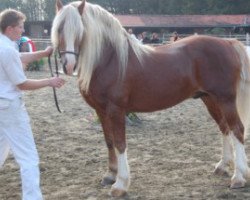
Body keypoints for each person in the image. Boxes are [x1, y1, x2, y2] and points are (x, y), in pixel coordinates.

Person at [0, 9, 65, 200]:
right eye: (20, 27)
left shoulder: (4, 45)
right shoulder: (6, 49)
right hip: (10, 107)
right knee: (28, 158)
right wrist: (49, 82)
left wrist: (44, 53)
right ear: (10, 28)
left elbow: (19, 58)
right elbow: (22, 84)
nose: (22, 30)